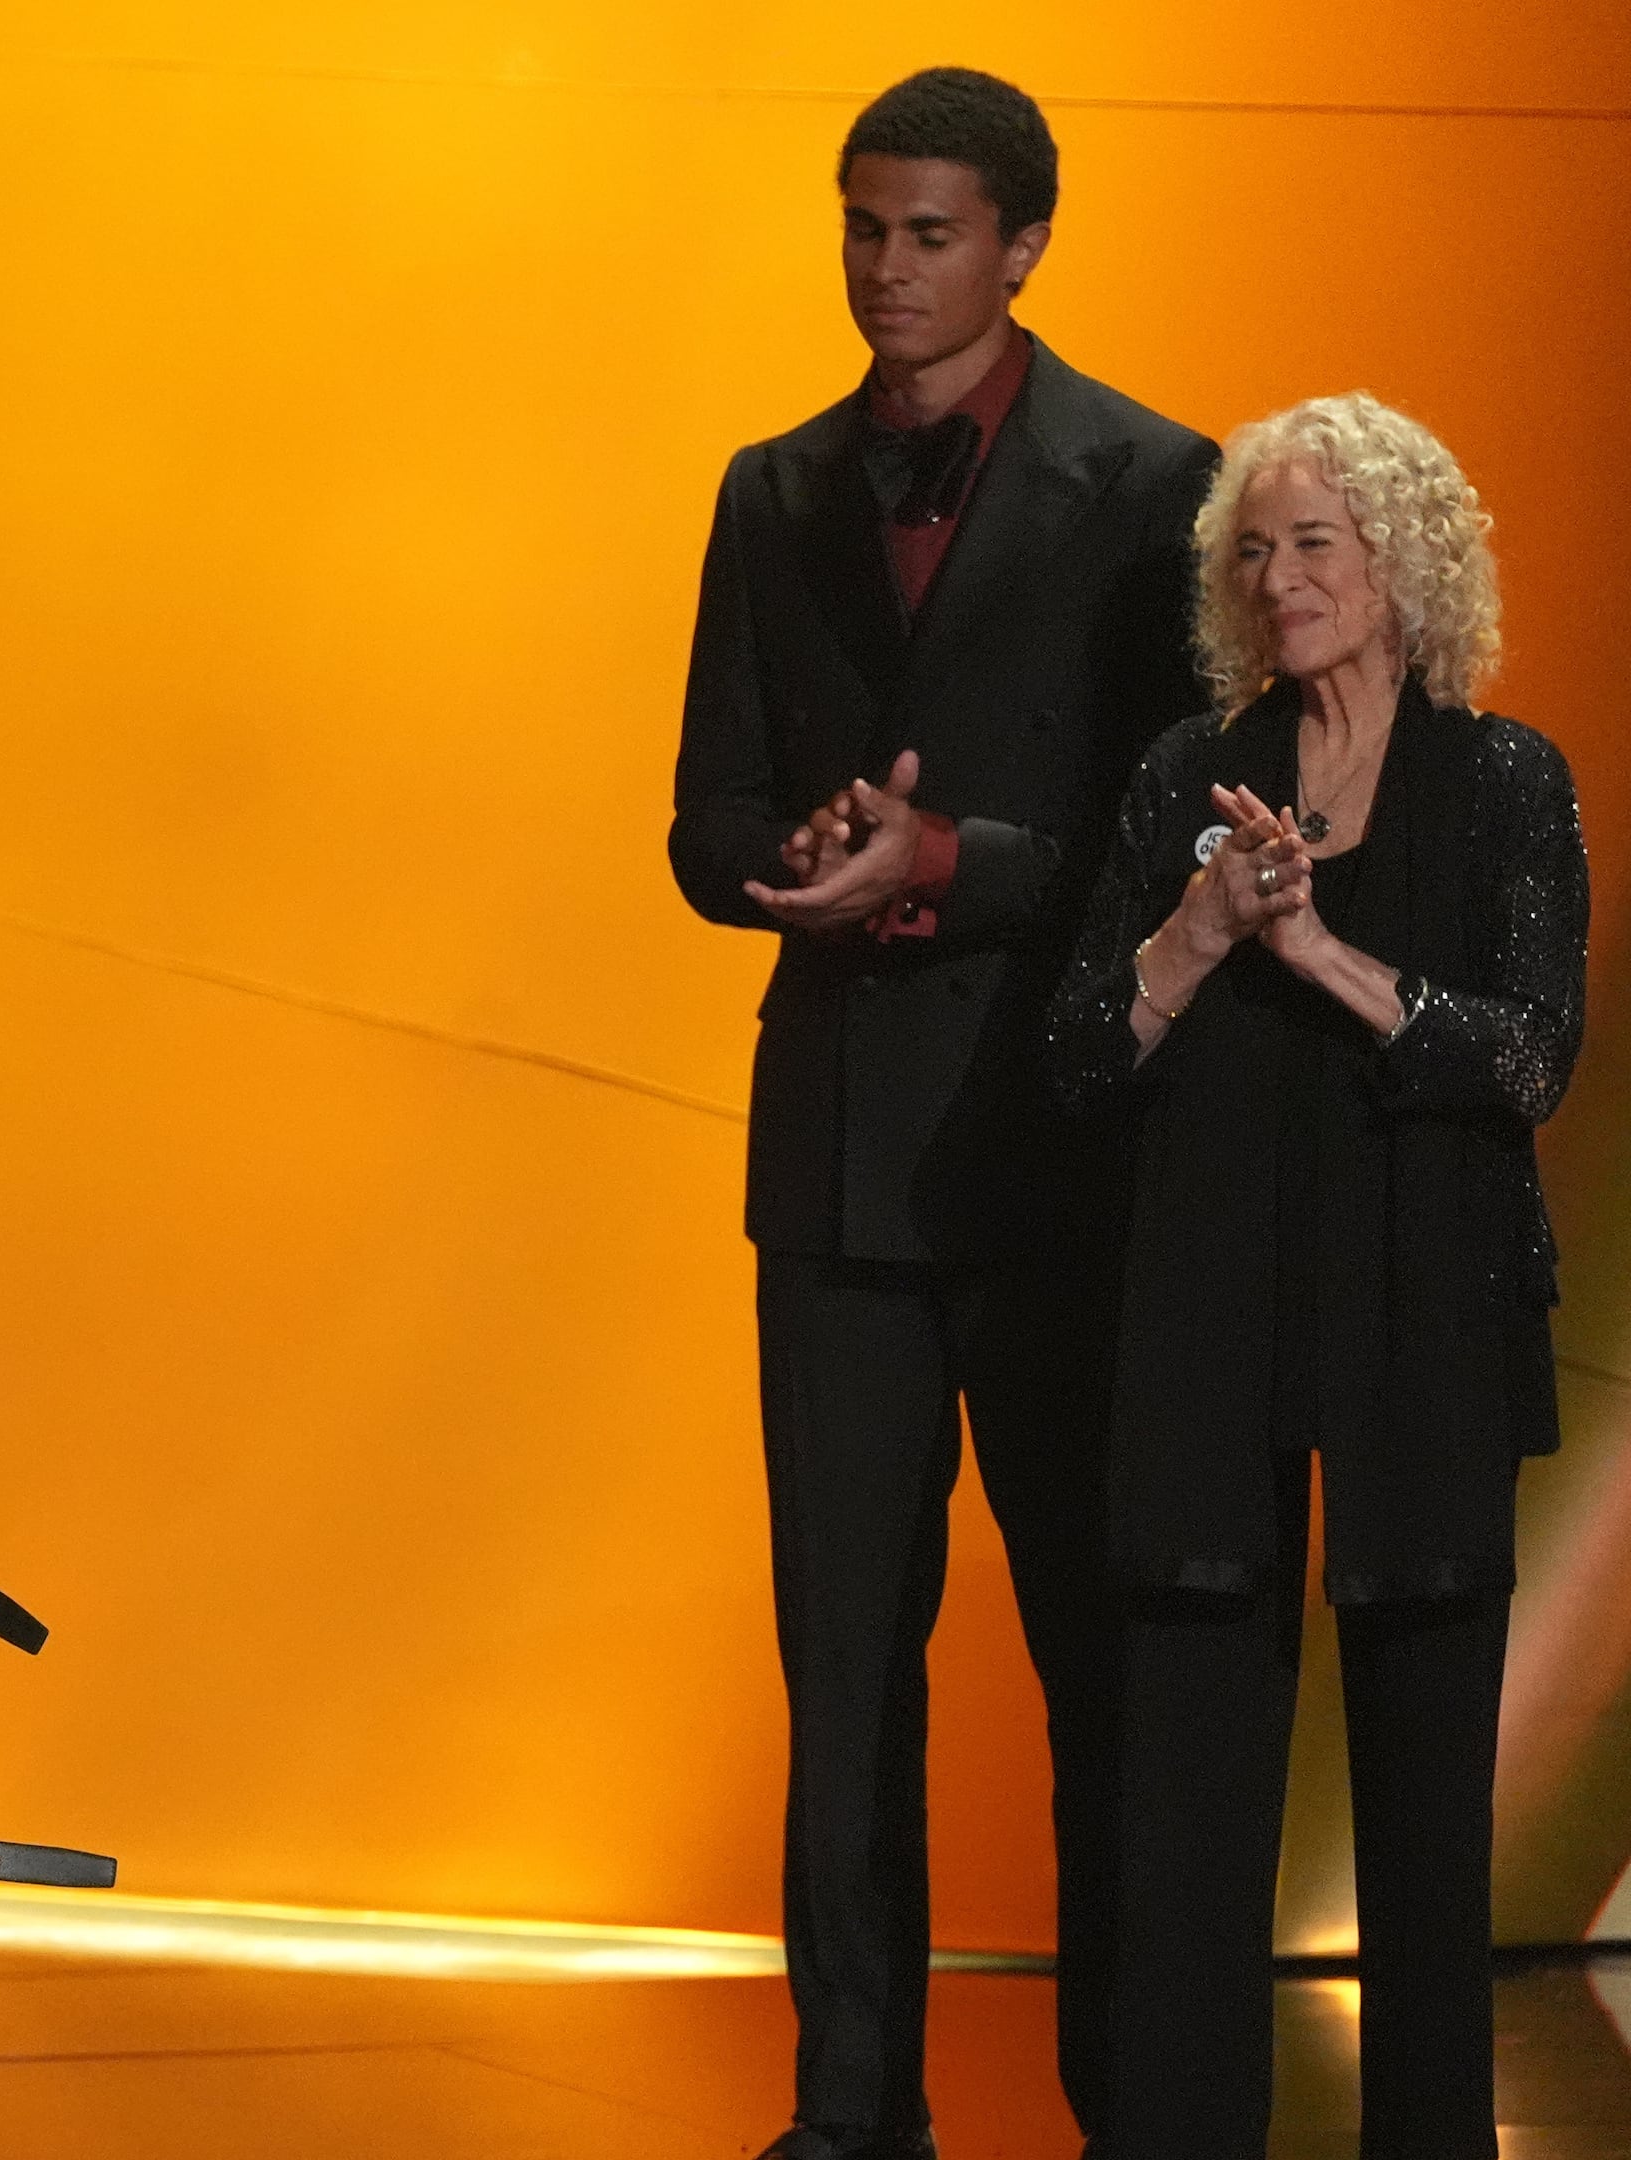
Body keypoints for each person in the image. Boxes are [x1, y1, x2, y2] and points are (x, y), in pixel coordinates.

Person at [663, 67, 1223, 2160]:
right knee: (845, 1682)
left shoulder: (1160, 484)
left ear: (1023, 243)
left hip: (1068, 1159)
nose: (888, 272)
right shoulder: (772, 486)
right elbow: (699, 810)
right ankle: (848, 2118)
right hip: (832, 1171)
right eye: (862, 229)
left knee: (1099, 1664)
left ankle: (1131, 2111)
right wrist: (786, 856)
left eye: (929, 234)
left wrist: (948, 866)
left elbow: (1176, 838)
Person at [1046, 394, 1580, 2159]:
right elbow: (1079, 1063)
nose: (1278, 580)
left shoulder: (1506, 781)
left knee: (1427, 1832)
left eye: (1315, 544)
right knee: (1184, 1821)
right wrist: (1198, 932)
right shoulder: (1179, 778)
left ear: (1405, 564)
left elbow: (1523, 1059)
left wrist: (1323, 952)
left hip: (1423, 1333)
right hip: (1206, 1330)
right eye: (1252, 551)